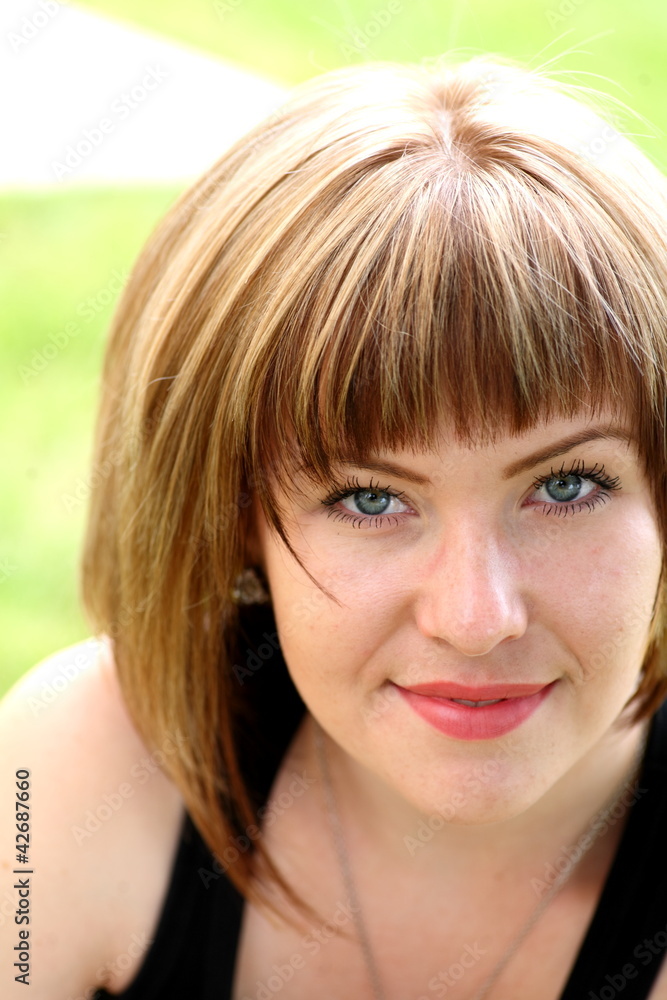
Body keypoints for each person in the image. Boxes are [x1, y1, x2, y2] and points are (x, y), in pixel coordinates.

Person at [2, 53, 667, 1000]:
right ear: (232, 519)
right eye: (368, 499)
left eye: (564, 485)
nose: (475, 617)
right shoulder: (78, 770)